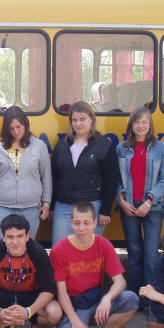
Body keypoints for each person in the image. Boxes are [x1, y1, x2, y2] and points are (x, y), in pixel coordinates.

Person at [50, 202, 138, 328]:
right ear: (71, 223)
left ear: (95, 223)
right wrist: (75, 322)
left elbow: (120, 282)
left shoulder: (103, 244)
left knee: (131, 299)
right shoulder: (59, 250)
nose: (81, 228)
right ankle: (68, 326)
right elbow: (61, 293)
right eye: (77, 223)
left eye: (86, 223)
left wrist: (107, 298)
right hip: (73, 305)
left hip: (95, 300)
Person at [116, 107, 164, 306]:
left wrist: (149, 201)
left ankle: (150, 299)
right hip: (129, 207)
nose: (140, 126)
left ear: (150, 125)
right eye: (137, 122)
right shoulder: (121, 149)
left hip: (152, 208)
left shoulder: (160, 149)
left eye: (144, 122)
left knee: (151, 255)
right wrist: (121, 201)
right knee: (134, 254)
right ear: (131, 125)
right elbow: (116, 179)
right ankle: (134, 298)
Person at [51, 101, 120, 245]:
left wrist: (106, 210)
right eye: (74, 120)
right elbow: (54, 178)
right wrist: (51, 206)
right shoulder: (62, 146)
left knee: (87, 251)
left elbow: (111, 180)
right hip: (64, 206)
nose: (78, 124)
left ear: (91, 119)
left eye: (82, 119)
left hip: (92, 206)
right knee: (59, 249)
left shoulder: (104, 145)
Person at [0, 106, 51, 244]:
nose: (16, 132)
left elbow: (46, 178)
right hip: (1, 208)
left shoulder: (39, 146)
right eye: (11, 128)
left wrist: (46, 204)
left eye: (19, 127)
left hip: (30, 208)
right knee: (0, 250)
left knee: (26, 250)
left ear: (26, 123)